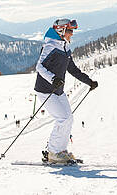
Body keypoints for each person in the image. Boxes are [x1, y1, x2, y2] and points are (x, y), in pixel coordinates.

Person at [34, 18, 98, 164]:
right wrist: (52, 79)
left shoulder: (64, 47)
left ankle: (60, 151)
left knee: (68, 119)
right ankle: (53, 152)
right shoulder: (50, 46)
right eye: (69, 31)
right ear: (61, 30)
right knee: (62, 119)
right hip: (45, 90)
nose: (71, 34)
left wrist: (89, 82)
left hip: (58, 91)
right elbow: (39, 67)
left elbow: (73, 70)